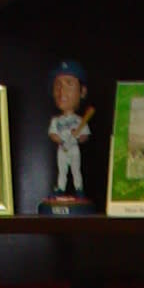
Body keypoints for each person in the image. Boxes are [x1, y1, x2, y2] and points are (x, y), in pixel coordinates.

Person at [47, 60, 92, 198]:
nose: (62, 91)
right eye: (58, 85)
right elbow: (52, 134)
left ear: (82, 91)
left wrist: (77, 137)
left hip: (73, 149)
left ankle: (79, 189)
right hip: (63, 149)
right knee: (62, 171)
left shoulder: (79, 121)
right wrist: (61, 141)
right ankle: (61, 188)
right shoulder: (56, 120)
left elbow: (85, 136)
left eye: (69, 84)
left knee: (76, 170)